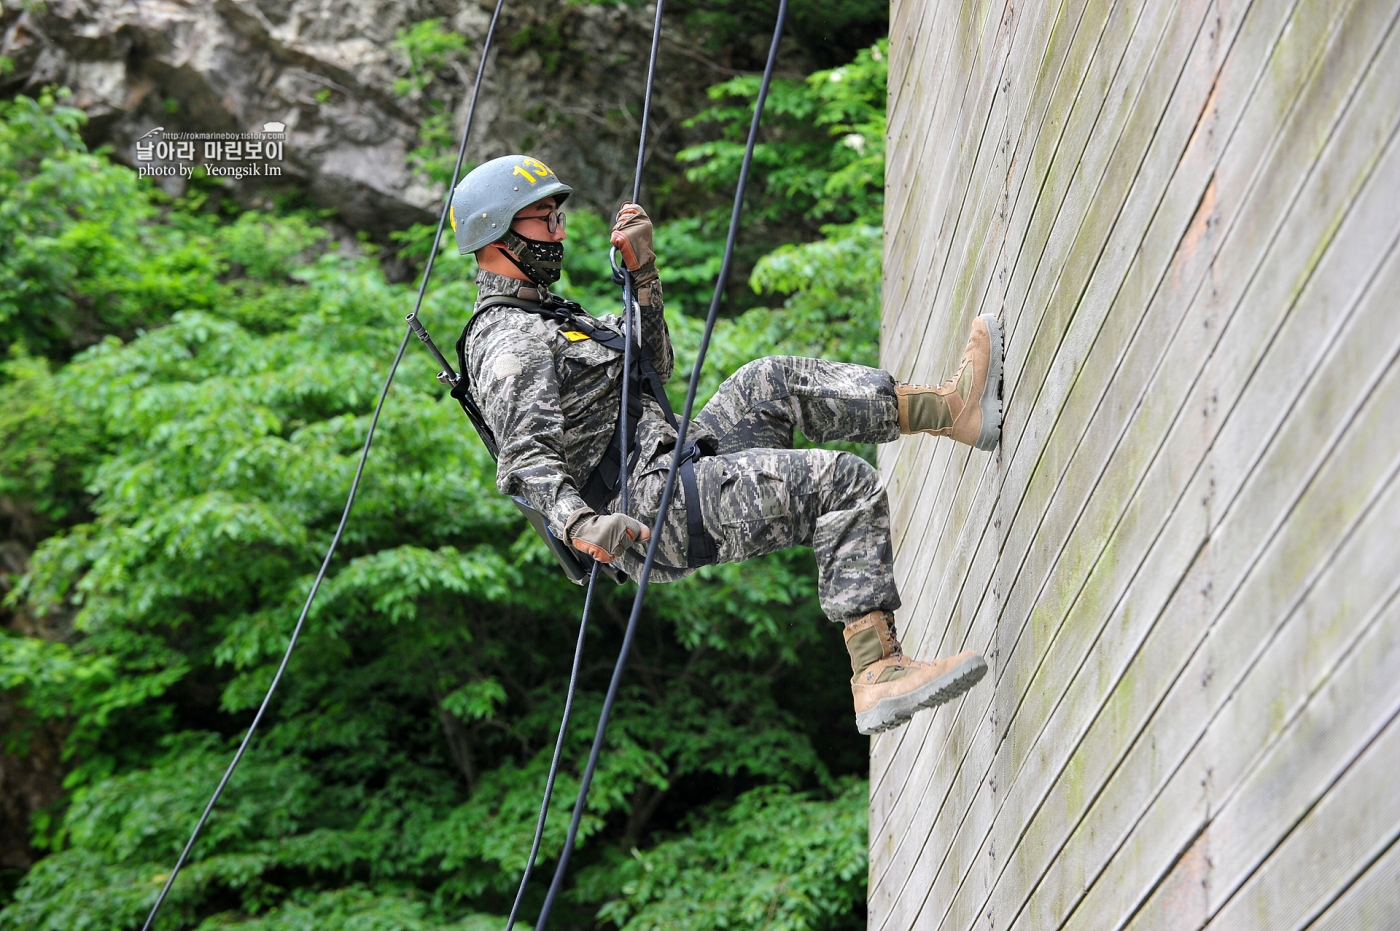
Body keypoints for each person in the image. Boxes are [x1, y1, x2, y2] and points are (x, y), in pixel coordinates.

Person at [449, 155, 1001, 736]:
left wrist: (643, 275)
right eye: (543, 220)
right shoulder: (507, 340)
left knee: (770, 381)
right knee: (845, 481)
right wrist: (581, 525)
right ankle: (878, 671)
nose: (558, 232)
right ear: (497, 234)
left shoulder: (549, 315)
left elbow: (654, 365)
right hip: (647, 506)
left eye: (558, 218)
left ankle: (952, 411)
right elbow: (524, 459)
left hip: (672, 461)